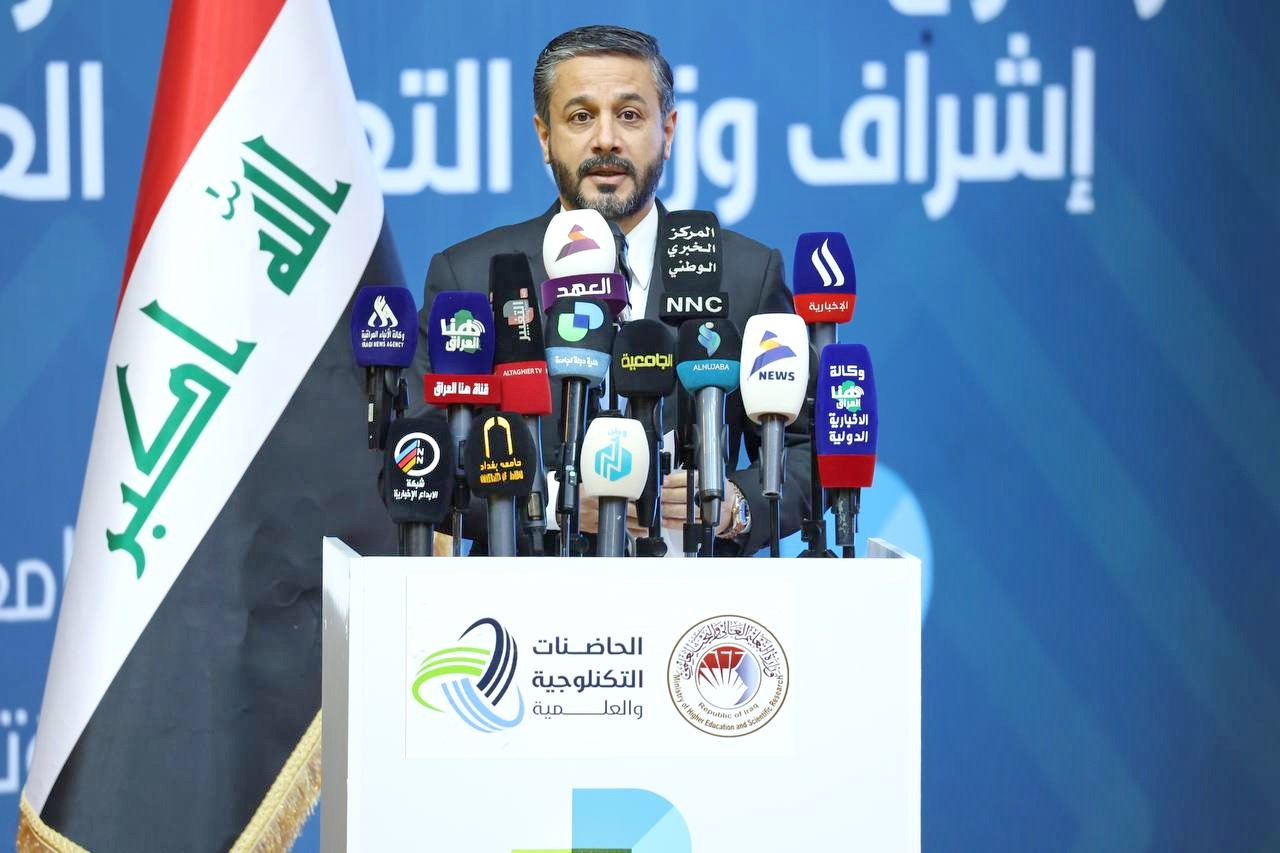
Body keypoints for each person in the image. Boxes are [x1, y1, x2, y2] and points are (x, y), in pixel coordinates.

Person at [416, 24, 809, 556]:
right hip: (529, 595)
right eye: (581, 117)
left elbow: (806, 449)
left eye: (629, 115)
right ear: (544, 136)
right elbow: (423, 461)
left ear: (667, 131)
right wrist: (545, 499)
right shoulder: (471, 275)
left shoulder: (744, 273)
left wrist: (734, 504)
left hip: (694, 592)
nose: (606, 139)